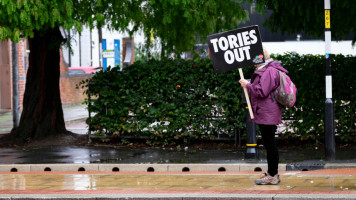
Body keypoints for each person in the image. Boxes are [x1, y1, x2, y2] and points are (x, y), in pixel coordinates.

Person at [239, 48, 288, 185]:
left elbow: (261, 91)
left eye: (254, 60)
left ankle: (273, 175)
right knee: (269, 143)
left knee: (270, 144)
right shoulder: (270, 69)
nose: (253, 63)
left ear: (260, 59)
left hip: (267, 113)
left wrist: (248, 85)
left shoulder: (269, 71)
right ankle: (272, 173)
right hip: (268, 112)